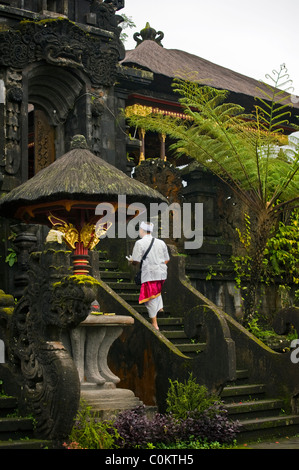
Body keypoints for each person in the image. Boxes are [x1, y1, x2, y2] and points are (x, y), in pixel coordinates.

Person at [128, 221, 170, 330]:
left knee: (148, 298)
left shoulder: (140, 243)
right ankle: (160, 308)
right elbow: (167, 259)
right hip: (162, 273)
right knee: (156, 291)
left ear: (142, 230)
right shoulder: (161, 242)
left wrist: (131, 262)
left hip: (150, 274)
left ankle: (154, 324)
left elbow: (136, 261)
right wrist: (158, 265)